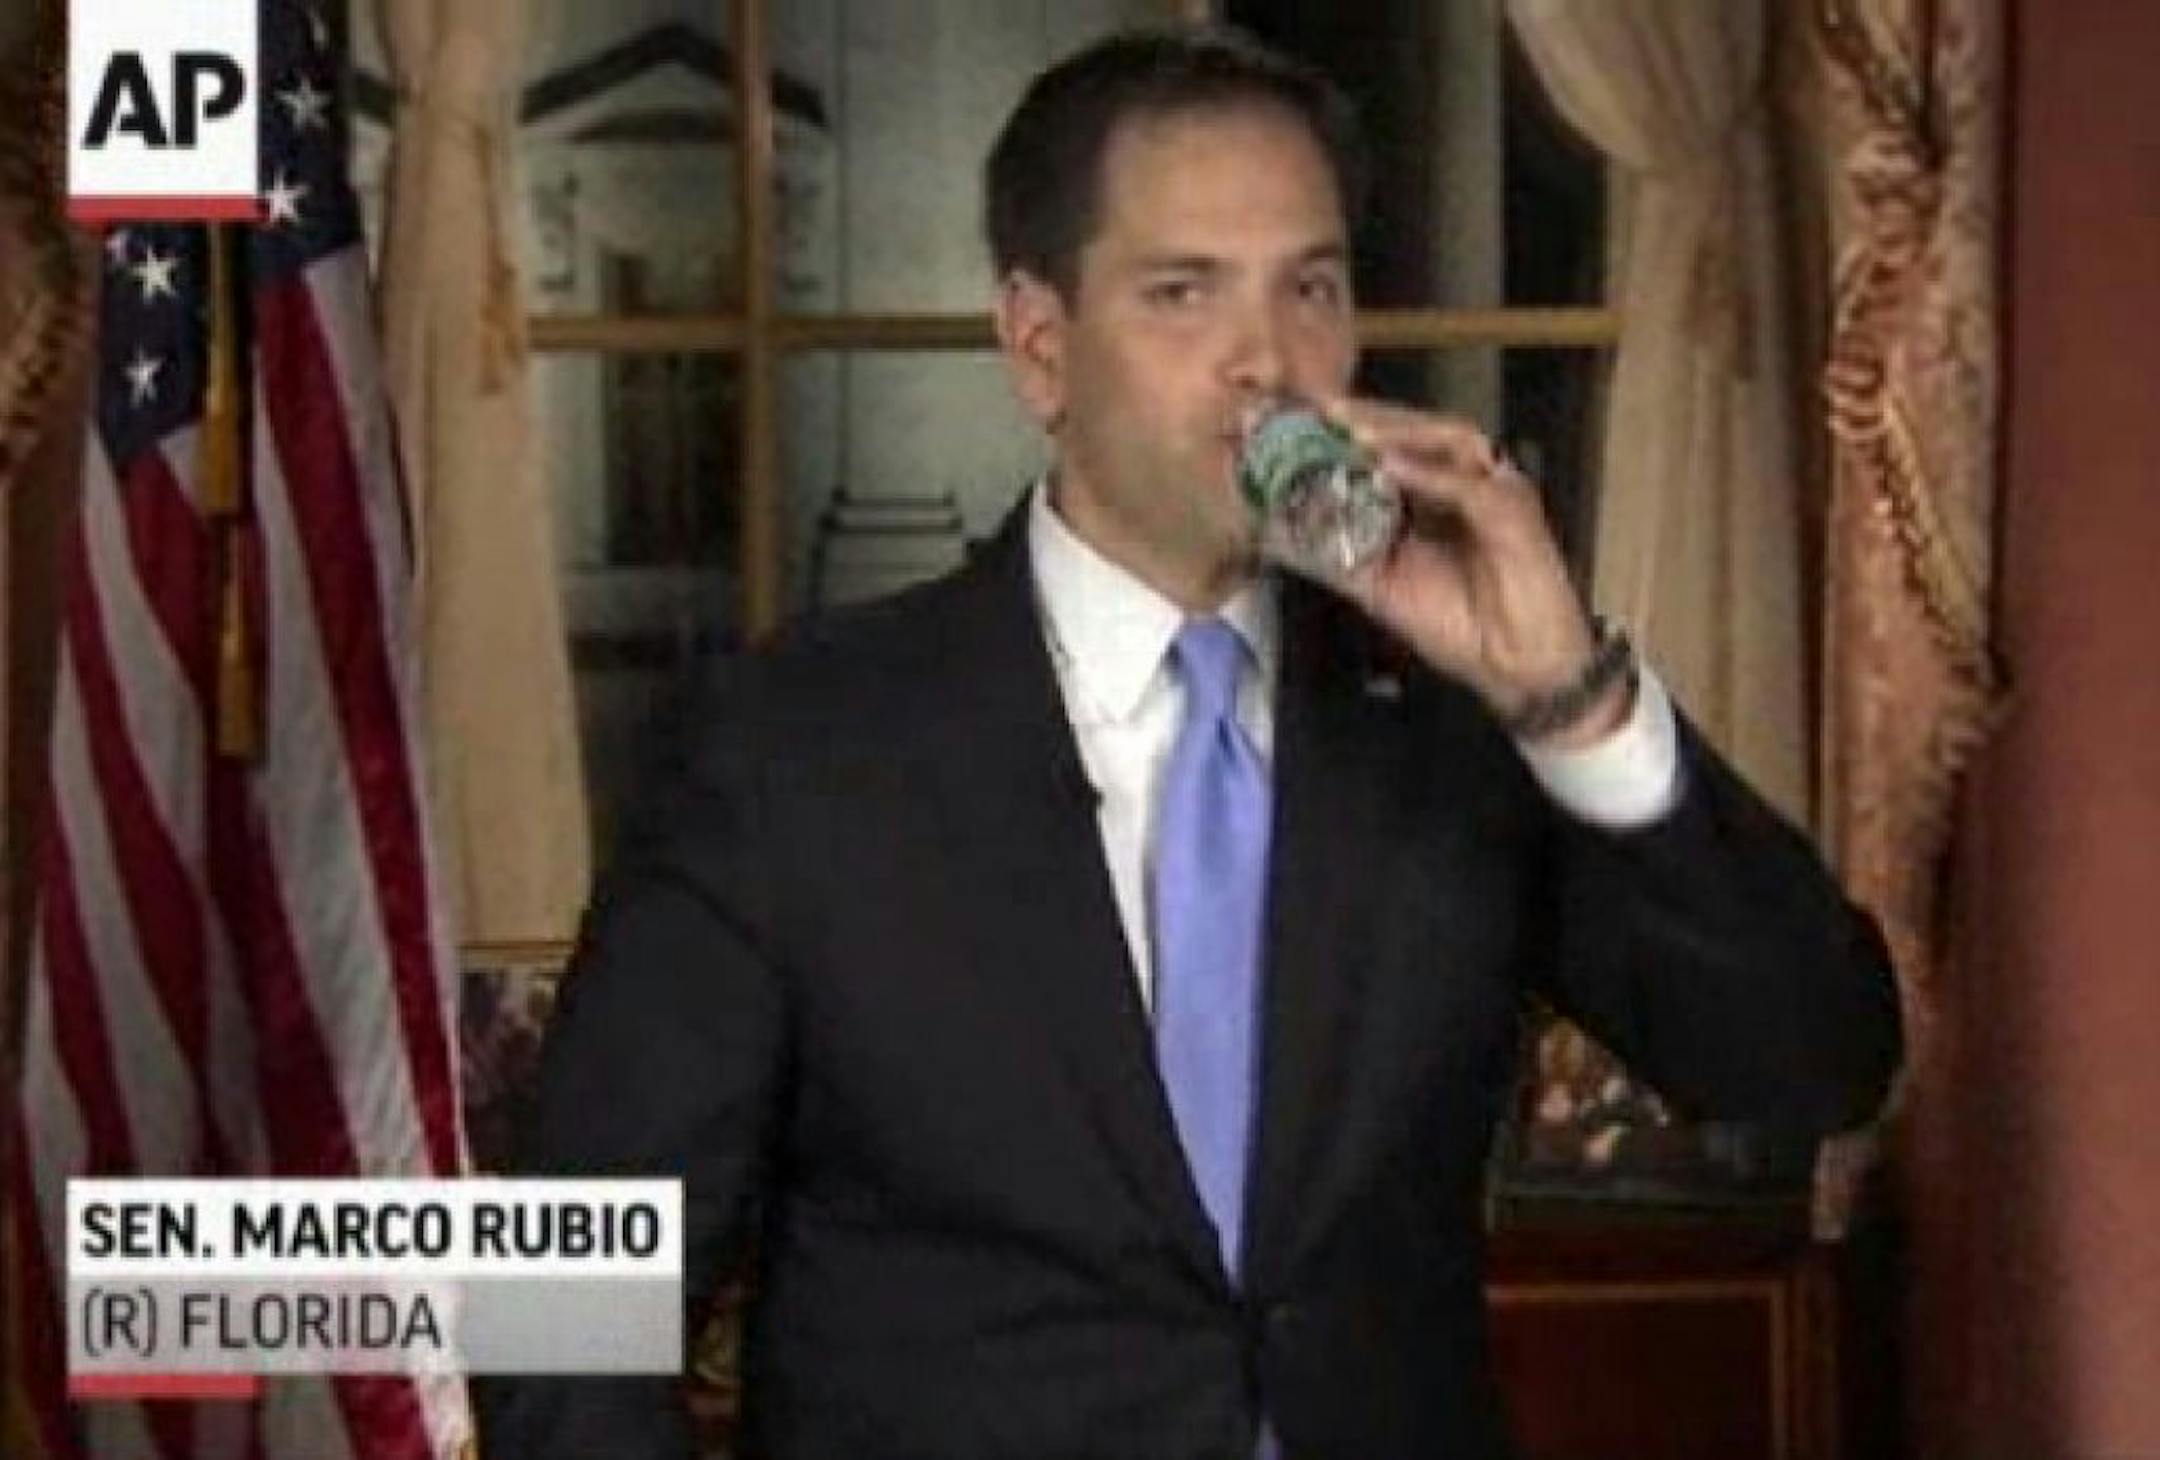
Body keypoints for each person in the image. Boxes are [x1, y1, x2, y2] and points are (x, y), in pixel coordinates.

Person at [477, 25, 1901, 1460]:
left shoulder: (1452, 728)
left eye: (1313, 288)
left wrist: (1571, 701)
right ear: (1040, 348)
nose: (1266, 362)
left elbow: (1809, 1066)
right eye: (1182, 294)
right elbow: (560, 1305)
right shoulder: (795, 753)